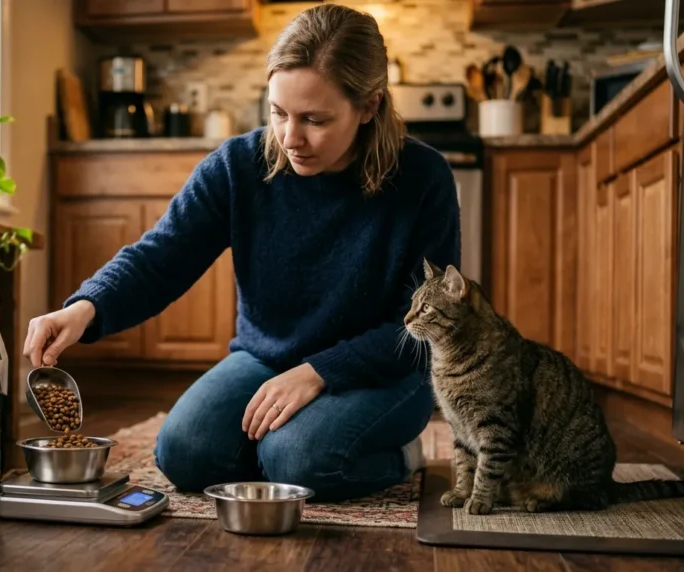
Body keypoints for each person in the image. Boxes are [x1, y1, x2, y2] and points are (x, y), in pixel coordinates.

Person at [23, 3, 460, 503]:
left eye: (314, 119)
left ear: (369, 106)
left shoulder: (423, 178)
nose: (290, 138)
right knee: (185, 454)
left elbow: (430, 327)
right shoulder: (237, 166)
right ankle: (279, 448)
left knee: (297, 461)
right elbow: (161, 256)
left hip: (385, 370)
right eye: (278, 113)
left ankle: (403, 455)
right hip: (267, 357)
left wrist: (320, 372)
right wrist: (86, 307)